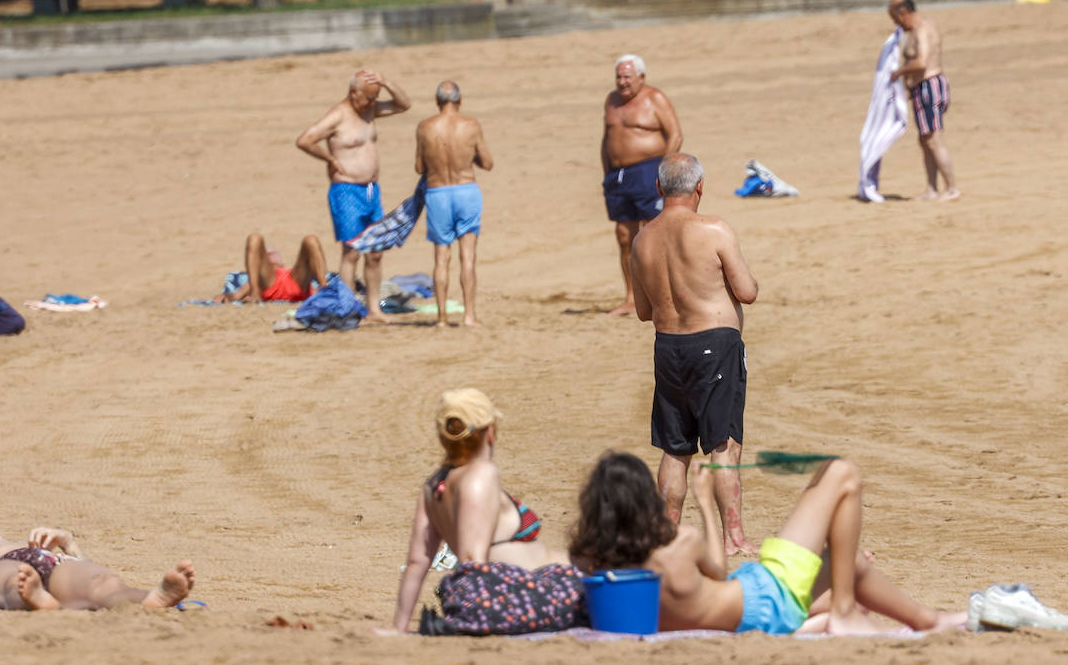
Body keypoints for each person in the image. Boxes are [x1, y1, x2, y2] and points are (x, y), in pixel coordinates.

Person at [570, 452, 967, 636]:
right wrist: (705, 502)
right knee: (840, 473)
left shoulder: (594, 565)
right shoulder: (679, 545)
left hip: (753, 616)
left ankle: (922, 620)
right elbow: (719, 571)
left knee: (847, 565)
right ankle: (845, 611)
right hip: (768, 596)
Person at [629, 152, 756, 554]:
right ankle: (732, 536)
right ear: (700, 187)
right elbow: (748, 292)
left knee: (675, 448)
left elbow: (645, 312)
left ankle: (664, 534)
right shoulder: (714, 230)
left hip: (669, 347)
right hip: (714, 346)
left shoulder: (641, 239)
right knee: (724, 445)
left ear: (658, 188)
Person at [392, 389, 574, 633]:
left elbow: (417, 562)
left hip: (519, 593)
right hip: (533, 593)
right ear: (490, 432)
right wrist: (478, 615)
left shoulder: (433, 487)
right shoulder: (481, 476)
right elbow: (472, 559)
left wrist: (399, 627)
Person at [296, 69, 412, 323]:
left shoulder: (369, 110)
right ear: (353, 93)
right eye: (369, 98)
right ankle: (347, 309)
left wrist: (386, 81)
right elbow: (305, 140)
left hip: (372, 190)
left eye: (375, 98)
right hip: (346, 190)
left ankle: (373, 309)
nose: (372, 103)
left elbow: (404, 104)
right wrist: (328, 158)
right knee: (352, 252)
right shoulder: (339, 115)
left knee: (376, 251)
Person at [0, 527, 195, 611]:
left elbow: (82, 562)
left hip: (52, 559)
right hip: (2, 565)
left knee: (103, 582)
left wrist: (68, 542)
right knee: (11, 581)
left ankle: (148, 598)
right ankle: (32, 598)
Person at [602, 53, 683, 316]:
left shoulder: (654, 98)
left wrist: (663, 172)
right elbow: (608, 138)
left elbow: (675, 135)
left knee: (652, 234)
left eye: (627, 76)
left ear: (641, 77)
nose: (622, 82)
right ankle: (631, 297)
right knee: (625, 236)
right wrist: (607, 174)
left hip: (648, 171)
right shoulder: (611, 101)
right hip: (617, 176)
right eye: (619, 76)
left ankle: (662, 294)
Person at [414, 81, 493, 328]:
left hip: (438, 192)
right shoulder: (470, 125)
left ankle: (441, 318)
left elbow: (419, 167)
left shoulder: (425, 127)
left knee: (441, 257)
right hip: (465, 190)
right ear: (459, 100)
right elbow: (488, 162)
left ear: (437, 101)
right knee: (467, 256)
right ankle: (469, 315)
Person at [889, 0, 959, 201]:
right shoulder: (914, 31)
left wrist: (899, 72)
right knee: (924, 140)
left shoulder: (923, 30)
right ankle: (931, 189)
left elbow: (921, 62)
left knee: (934, 140)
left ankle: (952, 188)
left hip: (930, 86)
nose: (895, 23)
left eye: (895, 18)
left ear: (903, 13)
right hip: (921, 89)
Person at [215, 233, 328, 303]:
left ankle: (326, 290)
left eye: (273, 253)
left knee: (311, 240)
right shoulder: (255, 280)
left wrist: (321, 290)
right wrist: (225, 296)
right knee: (254, 238)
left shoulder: (293, 272)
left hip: (296, 283)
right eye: (267, 253)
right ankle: (256, 294)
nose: (270, 254)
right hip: (268, 284)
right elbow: (236, 295)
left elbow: (313, 291)